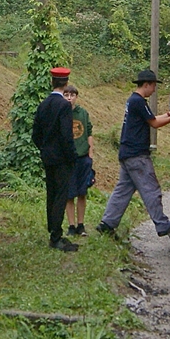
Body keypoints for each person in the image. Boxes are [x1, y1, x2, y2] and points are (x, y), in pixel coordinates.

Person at [96, 69, 170, 239]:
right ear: (146, 84)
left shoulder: (134, 100)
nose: (154, 90)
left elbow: (152, 118)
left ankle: (107, 223)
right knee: (151, 189)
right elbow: (154, 123)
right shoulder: (138, 101)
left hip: (127, 153)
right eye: (153, 86)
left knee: (123, 190)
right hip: (137, 155)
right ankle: (162, 224)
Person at [31, 67, 79, 252]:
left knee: (51, 193)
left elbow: (36, 134)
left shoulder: (43, 104)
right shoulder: (64, 106)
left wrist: (44, 149)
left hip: (47, 156)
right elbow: (66, 135)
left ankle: (53, 229)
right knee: (61, 195)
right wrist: (71, 156)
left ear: (52, 82)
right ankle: (56, 236)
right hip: (61, 158)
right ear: (66, 84)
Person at [63, 84, 95, 237]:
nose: (69, 98)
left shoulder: (82, 113)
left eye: (72, 95)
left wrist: (90, 154)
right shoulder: (61, 113)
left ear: (76, 97)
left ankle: (81, 225)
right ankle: (71, 225)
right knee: (69, 194)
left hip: (83, 158)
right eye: (66, 95)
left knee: (82, 192)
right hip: (68, 160)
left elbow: (89, 132)